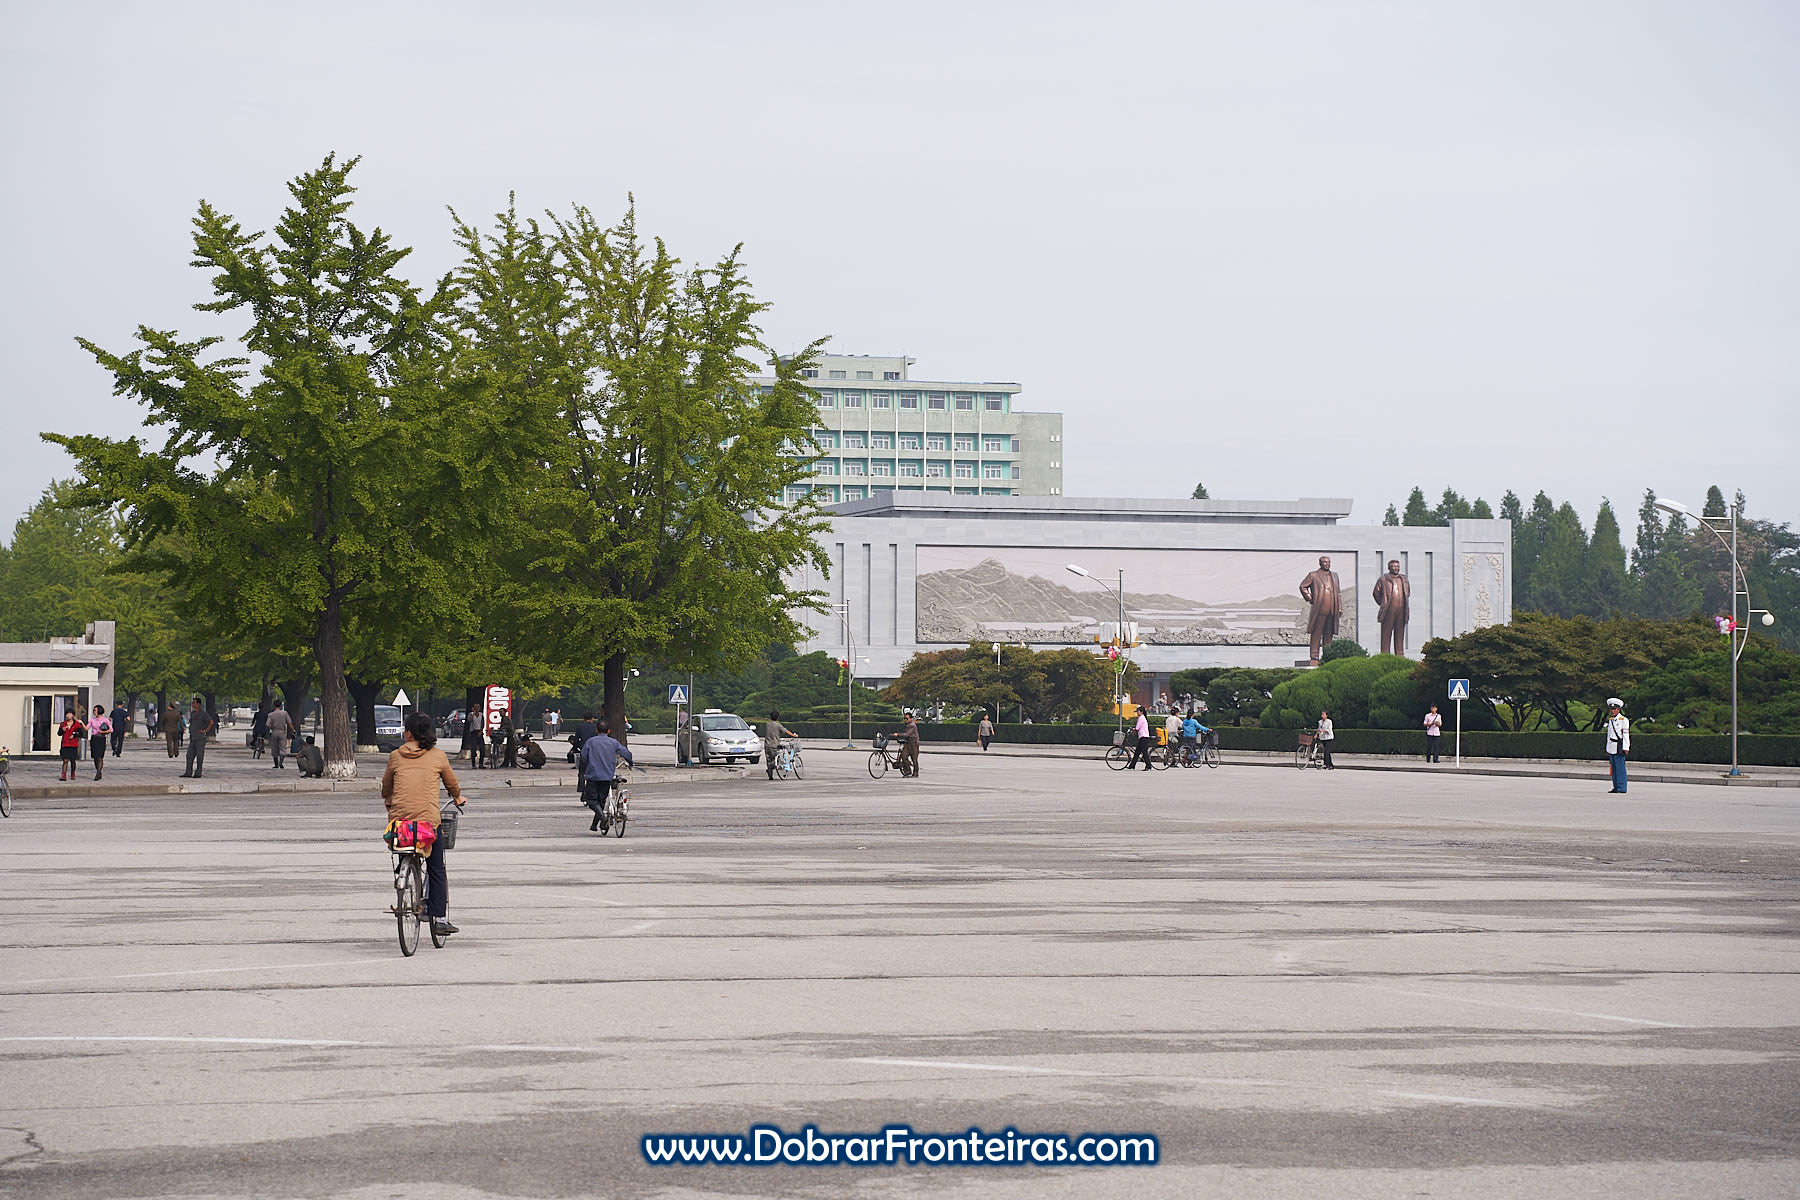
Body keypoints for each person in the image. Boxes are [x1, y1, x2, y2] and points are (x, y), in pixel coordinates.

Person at [381, 712, 468, 938]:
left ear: (408, 733)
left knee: (404, 846)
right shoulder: (438, 756)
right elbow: (452, 783)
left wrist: (389, 799)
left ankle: (403, 874)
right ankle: (439, 917)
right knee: (436, 868)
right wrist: (457, 797)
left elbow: (386, 786)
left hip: (402, 824)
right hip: (428, 824)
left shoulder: (395, 756)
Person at [577, 719, 634, 832]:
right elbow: (626, 753)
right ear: (609, 731)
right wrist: (630, 762)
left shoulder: (591, 742)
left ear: (596, 730)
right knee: (601, 800)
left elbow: (583, 756)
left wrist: (588, 764)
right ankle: (595, 824)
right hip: (607, 776)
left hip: (593, 775)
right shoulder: (613, 742)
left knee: (592, 800)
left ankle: (603, 819)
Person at [1298, 556, 1343, 665]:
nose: (1327, 564)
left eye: (1329, 562)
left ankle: (1328, 654)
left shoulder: (1335, 576)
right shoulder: (1313, 575)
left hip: (1332, 609)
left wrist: (1340, 607)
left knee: (1329, 633)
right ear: (1320, 563)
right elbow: (1303, 587)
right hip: (1320, 608)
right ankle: (1314, 655)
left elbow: (1338, 593)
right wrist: (1311, 599)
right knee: (1317, 632)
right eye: (1325, 562)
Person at [1372, 559, 1412, 656]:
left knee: (1400, 632)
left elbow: (1408, 593)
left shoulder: (1404, 579)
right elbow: (1376, 593)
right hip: (1389, 610)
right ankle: (1385, 654)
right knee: (1386, 632)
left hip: (1401, 610)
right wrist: (1383, 604)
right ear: (1389, 568)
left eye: (1398, 566)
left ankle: (1400, 653)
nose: (1396, 568)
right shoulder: (1383, 579)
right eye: (1394, 566)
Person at [181, 696, 214, 779]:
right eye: (192, 703)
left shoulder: (203, 714)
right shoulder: (192, 713)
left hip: (200, 738)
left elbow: (211, 722)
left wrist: (205, 730)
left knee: (199, 756)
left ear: (198, 704)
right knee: (189, 755)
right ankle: (188, 772)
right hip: (193, 737)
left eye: (194, 703)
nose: (192, 704)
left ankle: (198, 772)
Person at [1604, 697, 1630, 793]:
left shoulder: (1623, 720)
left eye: (1614, 709)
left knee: (1620, 768)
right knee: (1614, 769)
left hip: (1619, 747)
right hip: (1611, 746)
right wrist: (1607, 748)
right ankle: (1616, 786)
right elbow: (1608, 735)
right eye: (1611, 709)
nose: (1612, 711)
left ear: (1619, 709)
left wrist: (1626, 747)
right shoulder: (1611, 720)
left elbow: (1625, 735)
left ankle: (1622, 787)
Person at [763, 710, 798, 780]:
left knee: (769, 760)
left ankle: (770, 775)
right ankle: (770, 769)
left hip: (767, 744)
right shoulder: (778, 725)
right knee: (777, 760)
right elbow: (785, 731)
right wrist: (793, 735)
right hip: (775, 745)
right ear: (778, 717)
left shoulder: (767, 724)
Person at [267, 699, 294, 770]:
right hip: (282, 732)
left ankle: (276, 764)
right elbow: (289, 723)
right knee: (282, 748)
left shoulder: (271, 714)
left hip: (274, 732)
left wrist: (272, 727)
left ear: (274, 705)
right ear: (281, 705)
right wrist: (293, 730)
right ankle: (281, 762)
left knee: (274, 748)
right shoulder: (285, 713)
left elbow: (267, 724)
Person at [57, 710, 83, 782]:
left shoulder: (76, 724)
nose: (68, 716)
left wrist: (74, 735)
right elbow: (59, 733)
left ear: (73, 715)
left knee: (72, 761)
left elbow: (81, 734)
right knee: (65, 760)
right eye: (67, 714)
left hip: (73, 745)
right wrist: (62, 730)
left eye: (70, 714)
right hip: (65, 744)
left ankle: (72, 773)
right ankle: (63, 775)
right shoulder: (63, 724)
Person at [894, 710, 921, 778]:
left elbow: (907, 734)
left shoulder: (912, 725)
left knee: (914, 759)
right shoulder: (907, 725)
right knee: (903, 757)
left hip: (914, 744)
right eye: (905, 718)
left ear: (910, 719)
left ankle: (915, 773)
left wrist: (898, 734)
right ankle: (907, 771)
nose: (905, 720)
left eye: (907, 718)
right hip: (907, 743)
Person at [1126, 705, 1154, 771]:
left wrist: (1132, 729)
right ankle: (1132, 765)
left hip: (1143, 737)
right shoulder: (1143, 717)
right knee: (1137, 752)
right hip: (1143, 737)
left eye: (1138, 712)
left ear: (1141, 712)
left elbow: (1137, 728)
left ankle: (1148, 766)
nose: (1137, 713)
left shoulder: (1141, 718)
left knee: (1144, 752)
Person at [87, 704, 111, 781]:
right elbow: (87, 728)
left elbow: (111, 730)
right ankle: (98, 771)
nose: (94, 712)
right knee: (95, 757)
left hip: (101, 738)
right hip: (94, 739)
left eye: (95, 710)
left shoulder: (105, 720)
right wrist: (80, 722)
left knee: (100, 756)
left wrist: (102, 731)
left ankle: (98, 772)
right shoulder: (92, 720)